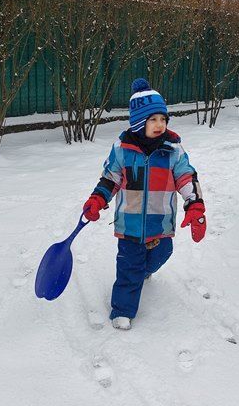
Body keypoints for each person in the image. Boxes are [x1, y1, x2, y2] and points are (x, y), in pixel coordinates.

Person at [82, 79, 206, 329]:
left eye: (163, 119)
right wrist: (98, 199)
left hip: (161, 222)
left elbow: (186, 177)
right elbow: (110, 179)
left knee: (163, 253)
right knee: (129, 268)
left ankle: (145, 270)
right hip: (130, 224)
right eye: (153, 119)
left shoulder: (173, 150)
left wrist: (195, 205)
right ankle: (122, 310)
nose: (160, 124)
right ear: (139, 122)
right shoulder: (122, 149)